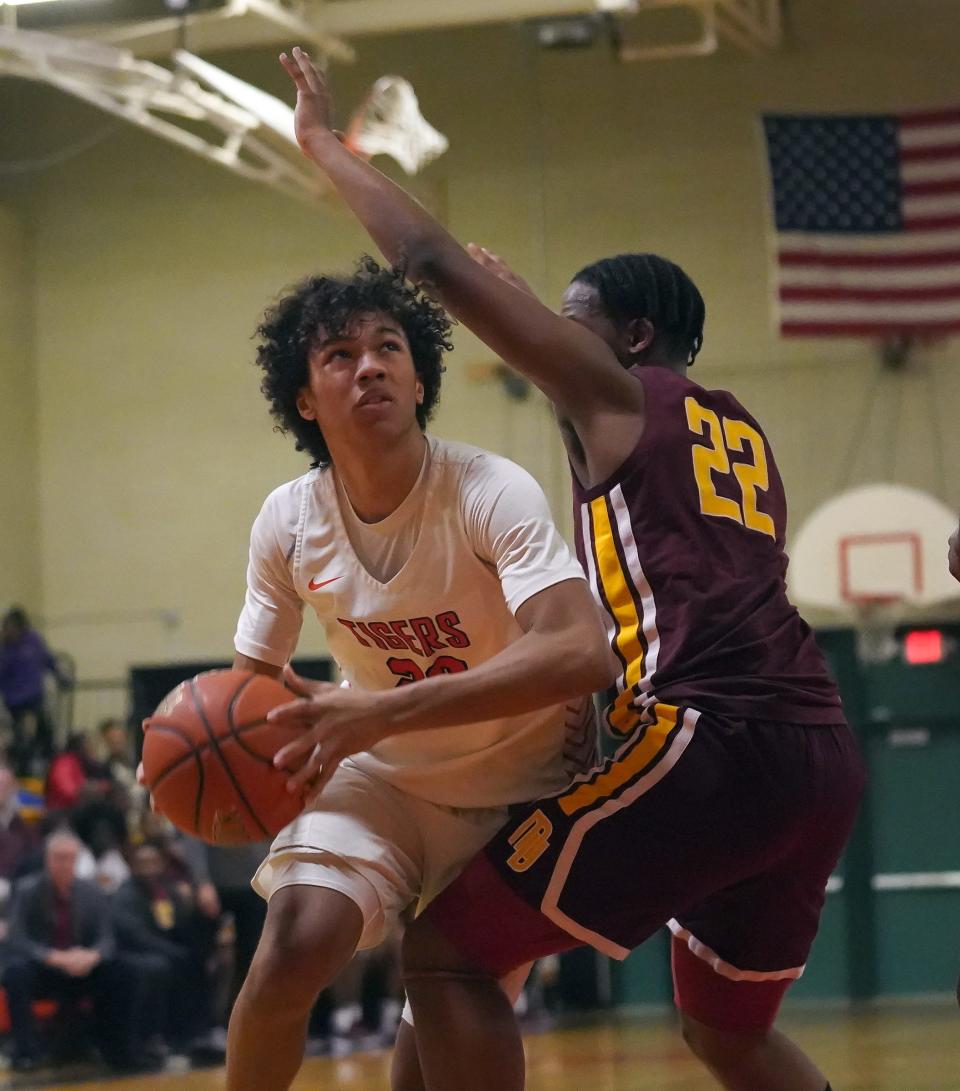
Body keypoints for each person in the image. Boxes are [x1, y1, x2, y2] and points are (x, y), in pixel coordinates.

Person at [274, 48, 867, 1091]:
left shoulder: (620, 393)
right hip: (820, 757)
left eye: (568, 321)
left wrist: (324, 142)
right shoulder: (733, 432)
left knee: (448, 954)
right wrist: (531, 325)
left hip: (713, 741)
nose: (548, 338)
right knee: (726, 1034)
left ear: (630, 340)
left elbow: (424, 255)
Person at [215, 253, 611, 1091]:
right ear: (303, 397)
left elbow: (581, 651)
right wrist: (211, 753)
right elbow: (249, 688)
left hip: (521, 790)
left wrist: (384, 710)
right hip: (384, 781)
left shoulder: (487, 489)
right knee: (290, 945)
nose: (369, 367)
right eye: (339, 355)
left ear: (420, 378)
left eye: (388, 348)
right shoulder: (288, 519)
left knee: (421, 1072)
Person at [3, 829, 140, 1071]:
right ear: (48, 859)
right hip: (45, 969)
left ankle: (116, 1050)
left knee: (125, 971)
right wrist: (52, 956)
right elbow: (18, 938)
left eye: (70, 858)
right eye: (59, 858)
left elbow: (107, 938)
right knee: (15, 973)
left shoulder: (92, 891)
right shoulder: (28, 890)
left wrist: (92, 955)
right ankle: (26, 1052)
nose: (65, 864)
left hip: (82, 967)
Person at [112, 842, 212, 1058]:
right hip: (133, 953)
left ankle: (198, 1033)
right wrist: (174, 951)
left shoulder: (166, 890)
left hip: (164, 950)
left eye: (154, 863)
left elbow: (179, 923)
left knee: (198, 960)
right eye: (144, 863)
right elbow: (135, 936)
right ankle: (153, 1038)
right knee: (163, 965)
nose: (150, 868)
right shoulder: (126, 894)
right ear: (134, 866)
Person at [0, 607, 67, 775]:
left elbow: (47, 659)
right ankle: (24, 769)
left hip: (34, 697)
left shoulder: (33, 641)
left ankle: (48, 764)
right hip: (16, 702)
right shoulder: (5, 650)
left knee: (45, 733)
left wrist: (60, 675)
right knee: (23, 738)